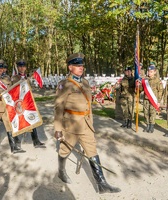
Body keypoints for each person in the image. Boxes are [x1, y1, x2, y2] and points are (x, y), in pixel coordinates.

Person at [54, 53, 120, 194]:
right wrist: (58, 129)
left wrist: (91, 122)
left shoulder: (85, 83)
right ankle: (61, 171)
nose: (81, 68)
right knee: (64, 150)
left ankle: (101, 184)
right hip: (71, 126)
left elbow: (88, 105)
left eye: (82, 65)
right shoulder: (64, 85)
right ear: (70, 67)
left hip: (86, 125)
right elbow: (58, 107)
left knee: (92, 151)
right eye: (77, 66)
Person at [0, 59, 24, 153]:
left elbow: (11, 91)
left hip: (7, 106)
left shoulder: (7, 78)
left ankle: (13, 147)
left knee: (9, 126)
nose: (0, 70)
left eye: (1, 68)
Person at [11, 59, 45, 148]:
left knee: (32, 120)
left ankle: (36, 141)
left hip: (27, 103)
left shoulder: (27, 78)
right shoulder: (15, 78)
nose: (22, 68)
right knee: (18, 122)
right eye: (20, 66)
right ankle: (16, 142)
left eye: (23, 66)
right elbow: (14, 91)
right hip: (18, 103)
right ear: (17, 68)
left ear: (25, 67)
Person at [139, 65, 163, 133]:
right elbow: (141, 89)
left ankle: (151, 126)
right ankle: (147, 125)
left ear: (155, 72)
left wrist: (158, 101)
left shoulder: (157, 80)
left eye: (151, 71)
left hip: (153, 99)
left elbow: (160, 91)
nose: (149, 73)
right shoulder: (145, 80)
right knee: (146, 113)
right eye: (149, 71)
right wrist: (139, 85)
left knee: (152, 113)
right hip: (146, 99)